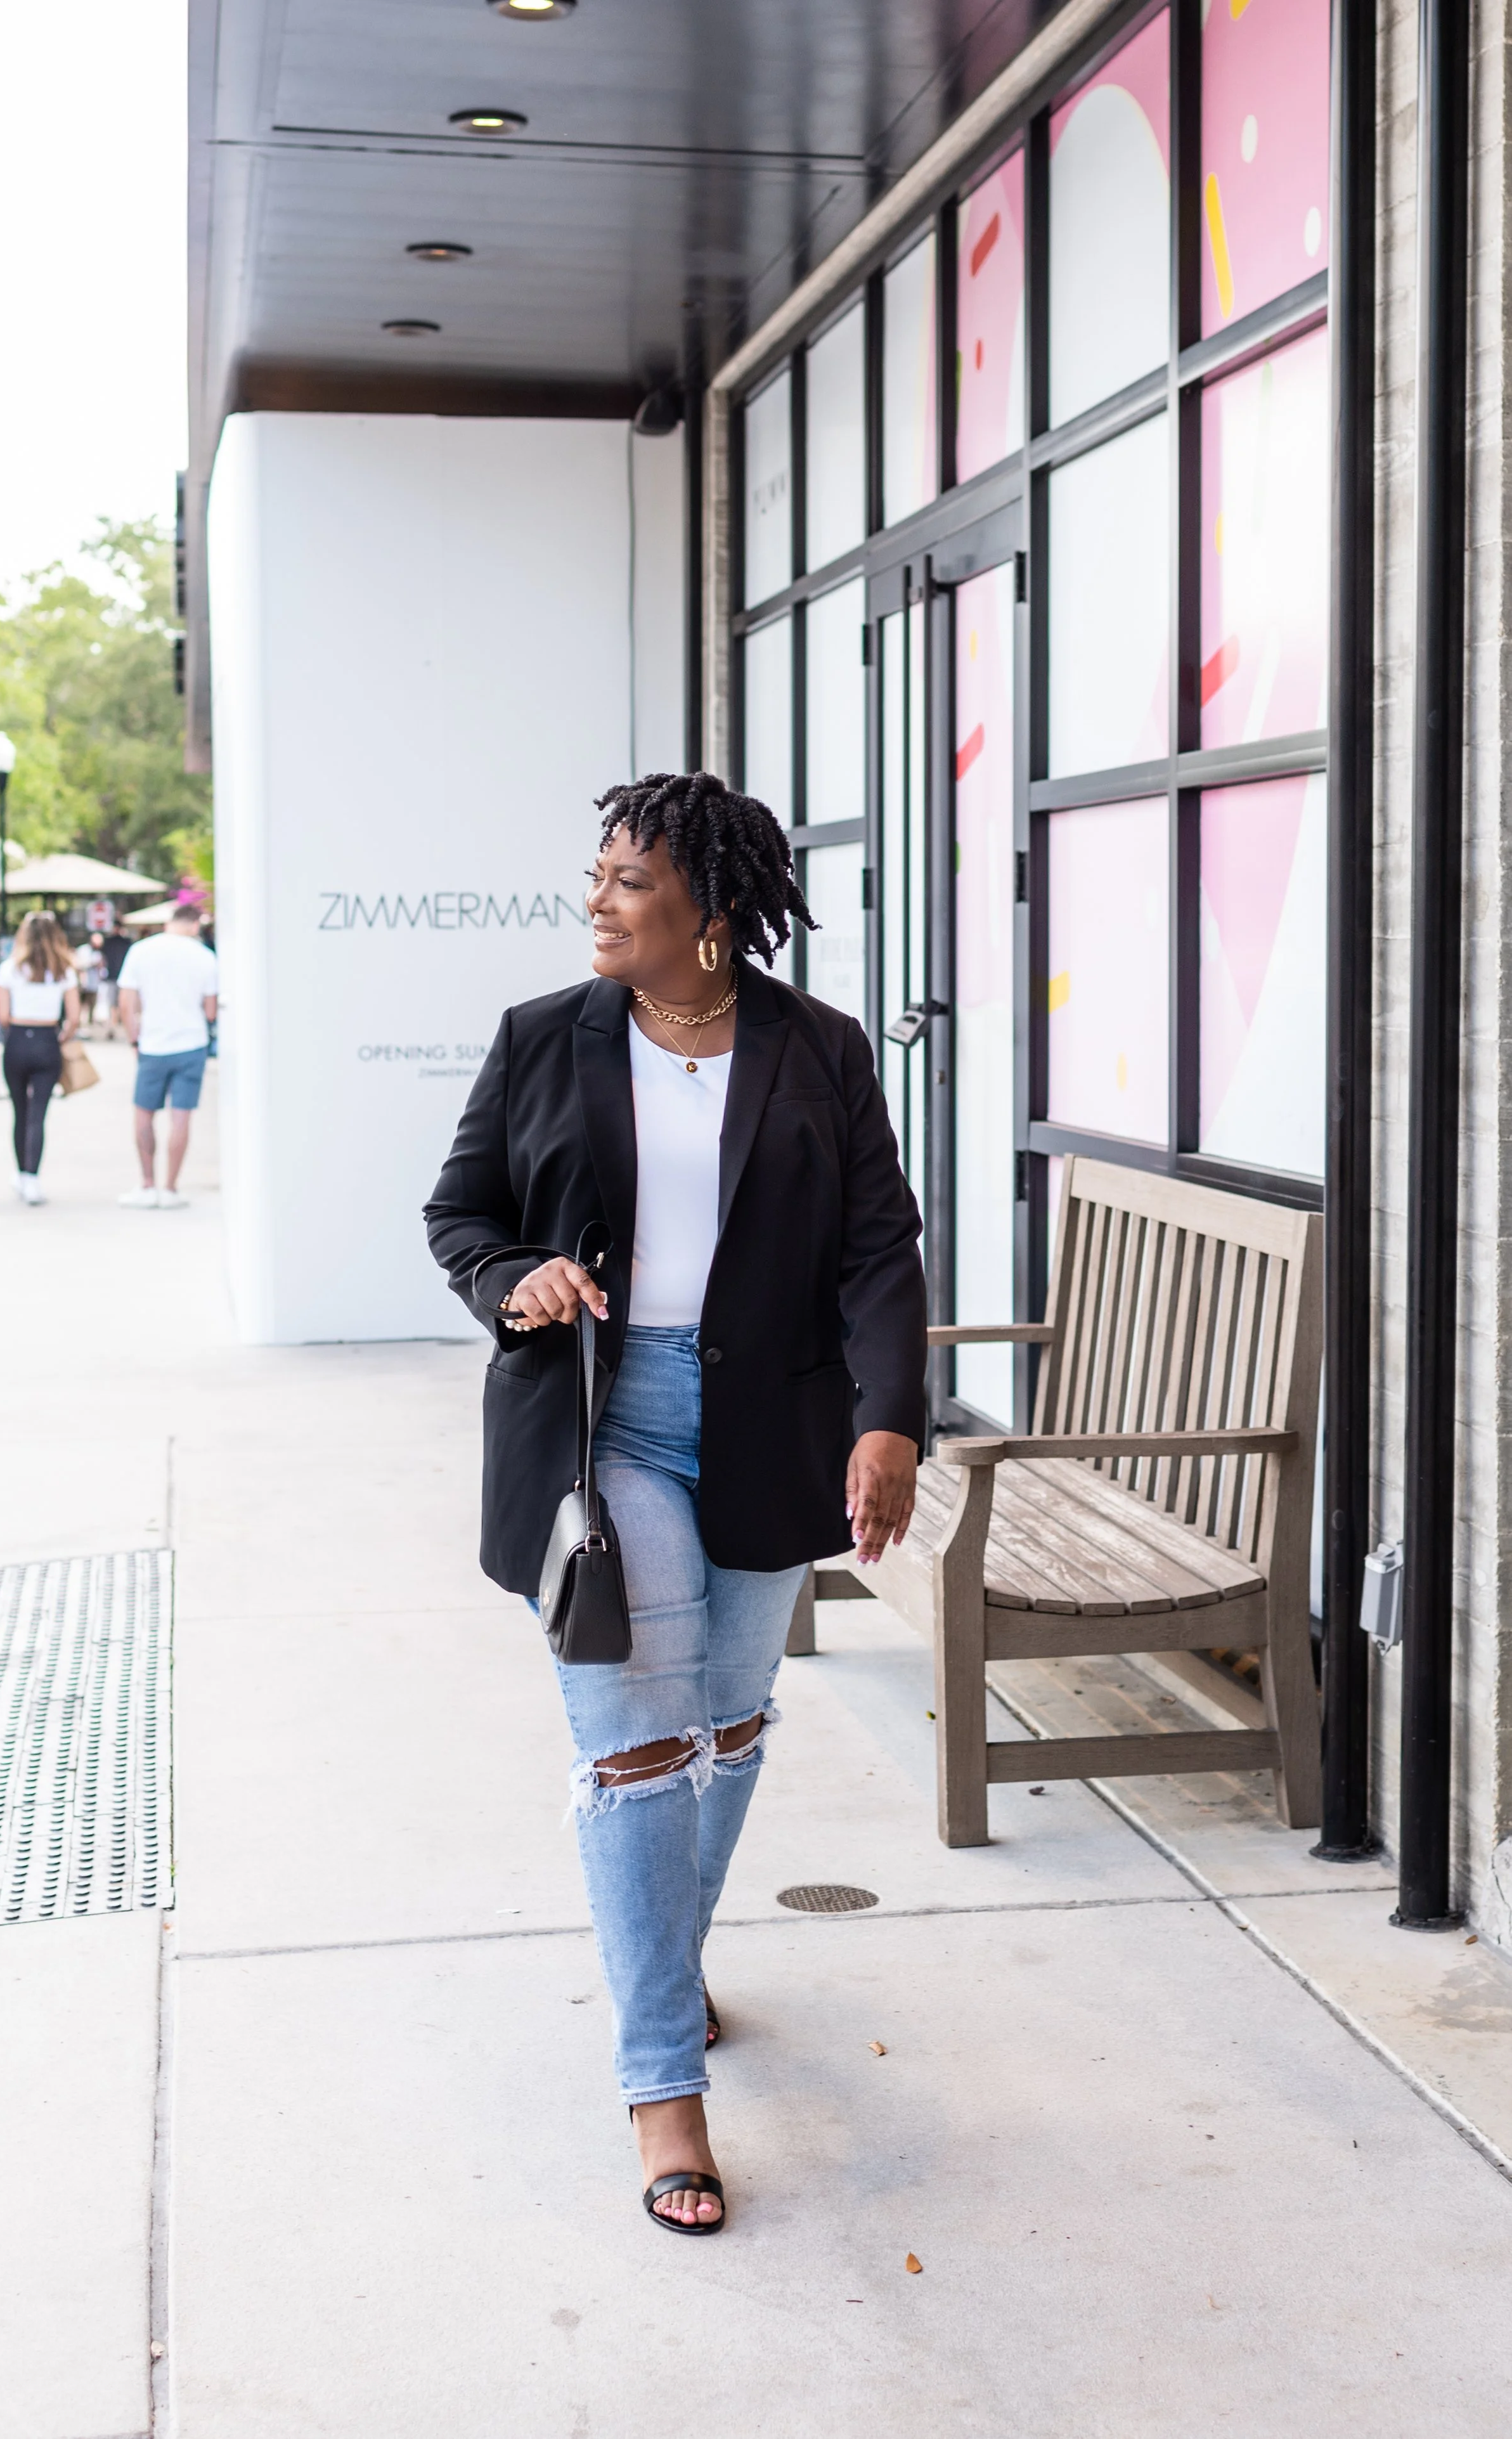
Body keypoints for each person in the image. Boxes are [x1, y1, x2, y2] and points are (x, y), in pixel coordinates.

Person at [423, 772, 925, 2236]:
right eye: (597, 875)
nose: (597, 899)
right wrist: (511, 1277)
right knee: (639, 1742)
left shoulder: (816, 1049)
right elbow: (461, 1211)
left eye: (628, 880)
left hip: (773, 1424)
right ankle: (662, 2086)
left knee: (731, 1719)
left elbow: (879, 1248)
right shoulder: (543, 1039)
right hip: (598, 1427)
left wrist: (888, 1417)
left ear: (710, 915)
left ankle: (669, 1940)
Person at [117, 903, 219, 1209]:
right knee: (181, 1117)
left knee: (144, 1113)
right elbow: (211, 1011)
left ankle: (148, 1186)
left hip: (153, 1044)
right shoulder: (205, 956)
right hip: (192, 1043)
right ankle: (171, 1188)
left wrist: (134, 1038)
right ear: (194, 925)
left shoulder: (141, 951)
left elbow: (126, 1003)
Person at [0, 910, 80, 1205]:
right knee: (38, 1115)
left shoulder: (9, 969)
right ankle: (32, 1177)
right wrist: (61, 1037)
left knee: (19, 1111)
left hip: (18, 1039)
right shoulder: (65, 970)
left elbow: (3, 1016)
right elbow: (74, 1019)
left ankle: (21, 1173)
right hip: (47, 1041)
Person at [98, 922, 132, 1038]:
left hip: (116, 977)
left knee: (115, 1003)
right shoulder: (125, 942)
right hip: (118, 977)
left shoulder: (112, 942)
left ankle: (114, 1025)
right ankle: (114, 1024)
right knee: (116, 1003)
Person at [74, 932, 104, 1029]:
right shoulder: (83, 950)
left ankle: (89, 1026)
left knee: (92, 1006)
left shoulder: (98, 953)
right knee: (81, 1006)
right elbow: (78, 964)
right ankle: (80, 1026)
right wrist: (91, 964)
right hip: (83, 983)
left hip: (94, 984)